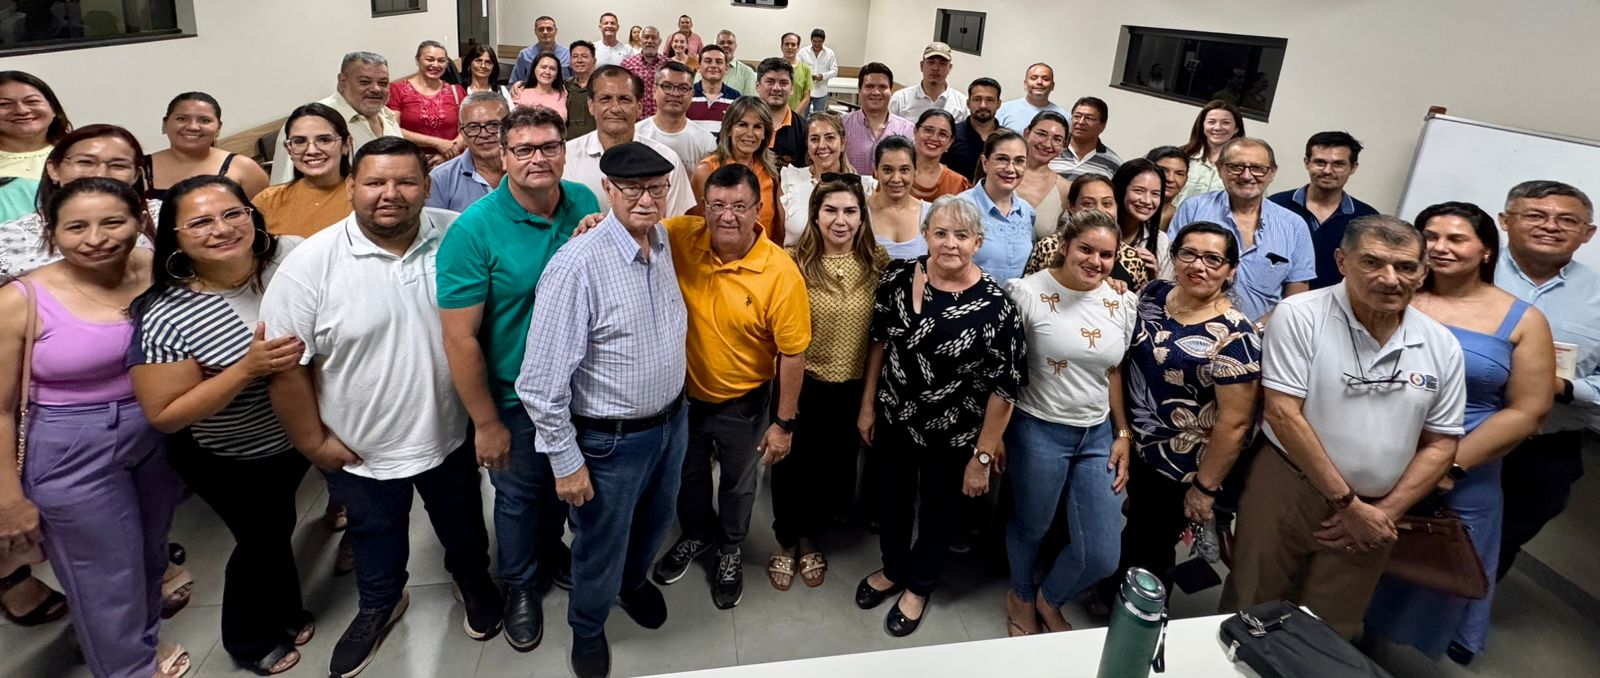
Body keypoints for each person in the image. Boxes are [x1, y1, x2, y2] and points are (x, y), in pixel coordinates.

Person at [261, 138, 502, 677]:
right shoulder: (309, 266)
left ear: (427, 186)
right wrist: (314, 444)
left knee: (463, 522)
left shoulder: (459, 234)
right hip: (360, 444)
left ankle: (472, 581)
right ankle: (380, 603)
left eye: (406, 182)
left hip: (450, 431)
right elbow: (286, 367)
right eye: (374, 182)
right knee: (374, 534)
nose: (390, 194)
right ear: (351, 187)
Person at [1220, 215, 1467, 639]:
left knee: (1333, 624)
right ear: (1341, 261)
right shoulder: (1301, 314)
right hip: (1289, 484)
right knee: (1252, 602)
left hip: (1379, 505)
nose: (1389, 278)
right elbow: (1283, 413)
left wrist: (1384, 512)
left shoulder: (1440, 344)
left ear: (1423, 273)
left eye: (1405, 267)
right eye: (1372, 262)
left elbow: (1442, 442)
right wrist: (1347, 504)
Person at [0, 177, 189, 678]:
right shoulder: (21, 300)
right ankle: (128, 670)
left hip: (155, 431)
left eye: (112, 222)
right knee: (103, 576)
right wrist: (9, 499)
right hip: (70, 447)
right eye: (76, 227)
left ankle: (137, 650)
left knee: (150, 556)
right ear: (51, 231)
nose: (96, 238)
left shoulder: (157, 269)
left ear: (139, 221)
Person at [128, 175, 313, 676]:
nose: (222, 228)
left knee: (276, 526)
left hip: (295, 438)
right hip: (229, 452)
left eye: (233, 213)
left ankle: (287, 611)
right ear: (175, 237)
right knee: (260, 538)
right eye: (201, 222)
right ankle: (248, 639)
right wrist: (246, 369)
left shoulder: (290, 258)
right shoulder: (167, 313)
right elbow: (166, 414)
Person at [517, 142, 686, 678]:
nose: (646, 199)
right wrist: (566, 462)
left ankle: (632, 584)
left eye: (656, 188)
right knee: (599, 541)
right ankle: (587, 626)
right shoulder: (576, 265)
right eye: (632, 189)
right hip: (610, 441)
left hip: (671, 423)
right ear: (608, 189)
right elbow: (539, 384)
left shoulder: (662, 240)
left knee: (655, 521)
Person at [1364, 202, 1554, 665]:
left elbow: (1528, 410)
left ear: (1486, 249)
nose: (1440, 248)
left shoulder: (1523, 319)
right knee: (1353, 563)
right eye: (1430, 237)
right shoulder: (1392, 294)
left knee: (1423, 575)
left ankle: (1375, 657)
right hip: (1372, 455)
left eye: (1456, 238)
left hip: (1463, 472)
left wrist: (1447, 468)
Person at [436, 107, 590, 652]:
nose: (537, 158)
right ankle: (521, 583)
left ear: (564, 151)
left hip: (578, 389)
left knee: (562, 485)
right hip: (514, 395)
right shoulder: (473, 231)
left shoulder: (584, 202)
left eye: (549, 146)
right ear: (502, 157)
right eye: (523, 149)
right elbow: (460, 338)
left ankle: (551, 552)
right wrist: (486, 423)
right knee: (519, 494)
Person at [855, 195, 1025, 637]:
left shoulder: (997, 307)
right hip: (895, 419)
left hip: (954, 434)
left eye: (962, 235)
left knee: (938, 513)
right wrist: (868, 405)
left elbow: (1005, 390)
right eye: (941, 233)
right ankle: (893, 568)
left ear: (978, 242)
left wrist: (982, 456)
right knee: (891, 501)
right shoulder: (897, 278)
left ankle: (919, 586)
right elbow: (878, 343)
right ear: (926, 235)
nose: (951, 243)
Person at [651, 164, 811, 611]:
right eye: (717, 205)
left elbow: (793, 353)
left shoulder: (780, 273)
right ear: (703, 207)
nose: (727, 216)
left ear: (758, 210)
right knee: (688, 475)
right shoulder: (681, 236)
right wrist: (594, 221)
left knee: (738, 484)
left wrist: (783, 423)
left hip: (745, 403)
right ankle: (697, 533)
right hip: (683, 399)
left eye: (739, 206)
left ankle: (730, 547)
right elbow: (634, 228)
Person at [1106, 221, 1262, 612]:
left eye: (1213, 259)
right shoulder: (1155, 294)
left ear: (1230, 270)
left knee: (1152, 545)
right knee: (1136, 527)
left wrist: (1205, 489)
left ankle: (1138, 618)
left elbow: (1235, 424)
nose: (1198, 266)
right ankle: (1113, 593)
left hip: (1182, 465)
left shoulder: (1236, 336)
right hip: (1136, 443)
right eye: (1188, 254)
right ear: (1174, 257)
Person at [1002, 208, 1137, 636]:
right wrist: (992, 437)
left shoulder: (1121, 301)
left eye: (1106, 254)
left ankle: (1051, 596)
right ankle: (1021, 594)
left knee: (1102, 553)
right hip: (1038, 427)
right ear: (1063, 245)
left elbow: (1113, 371)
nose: (1095, 261)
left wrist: (1122, 433)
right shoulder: (1025, 293)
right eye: (1086, 249)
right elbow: (1003, 371)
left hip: (1097, 434)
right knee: (1033, 525)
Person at [768, 178, 889, 593]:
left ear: (862, 217)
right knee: (791, 465)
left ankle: (810, 536)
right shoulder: (792, 262)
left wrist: (868, 402)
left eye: (850, 211)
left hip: (851, 385)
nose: (841, 220)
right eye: (831, 211)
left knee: (832, 468)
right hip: (800, 384)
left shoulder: (877, 263)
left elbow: (879, 337)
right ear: (815, 216)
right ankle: (786, 538)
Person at [1492, 181, 1600, 584]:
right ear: (1505, 221)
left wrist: (1565, 388)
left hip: (1544, 450)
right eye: (1536, 215)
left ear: (1588, 233)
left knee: (1497, 549)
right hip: (1452, 431)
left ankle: (1464, 617)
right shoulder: (1466, 269)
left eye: (1567, 220)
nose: (1550, 226)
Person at [1169, 137, 1313, 324]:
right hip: (1190, 326)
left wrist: (1256, 330)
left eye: (1257, 168)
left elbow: (1296, 296)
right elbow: (1172, 269)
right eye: (1236, 167)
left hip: (1263, 334)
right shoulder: (1193, 209)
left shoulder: (1294, 225)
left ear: (1272, 173)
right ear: (1220, 169)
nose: (1246, 176)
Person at [1, 124, 155, 278]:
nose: (100, 174)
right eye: (85, 162)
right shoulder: (11, 238)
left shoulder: (164, 217)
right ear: (54, 169)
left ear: (136, 175)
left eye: (118, 165)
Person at [563, 65, 695, 217]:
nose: (615, 108)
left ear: (639, 107)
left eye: (624, 99)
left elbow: (674, 225)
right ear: (591, 105)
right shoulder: (567, 157)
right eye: (605, 99)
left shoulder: (667, 160)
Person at [269, 52, 401, 185]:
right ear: (342, 82)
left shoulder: (387, 115)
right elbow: (286, 186)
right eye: (365, 82)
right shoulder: (310, 121)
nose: (376, 89)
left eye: (383, 83)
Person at [1268, 131, 1379, 290]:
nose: (1327, 170)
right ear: (1306, 163)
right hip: (1276, 300)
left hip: (1337, 303)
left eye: (1338, 164)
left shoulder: (1368, 219)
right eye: (1320, 162)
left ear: (1353, 167)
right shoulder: (1275, 205)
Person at [691, 97, 784, 243]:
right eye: (742, 125)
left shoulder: (771, 173)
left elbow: (778, 230)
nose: (750, 133)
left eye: (757, 127)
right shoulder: (706, 171)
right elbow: (695, 229)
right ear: (729, 129)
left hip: (763, 254)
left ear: (765, 133)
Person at [255, 103, 354, 238]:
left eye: (324, 140)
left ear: (346, 145)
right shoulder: (268, 201)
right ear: (289, 149)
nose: (312, 151)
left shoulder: (366, 196)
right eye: (299, 141)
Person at [144, 92, 269, 200]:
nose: (192, 127)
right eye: (181, 119)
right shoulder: (140, 168)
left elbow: (265, 216)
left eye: (205, 120)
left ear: (218, 128)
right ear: (164, 124)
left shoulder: (244, 169)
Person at [778, 111, 875, 244]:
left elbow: (867, 240)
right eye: (814, 139)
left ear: (842, 144)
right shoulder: (790, 180)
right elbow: (778, 237)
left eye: (830, 138)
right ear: (807, 145)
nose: (822, 146)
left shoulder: (864, 188)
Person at [962, 130, 1034, 283]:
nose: (1010, 169)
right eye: (1002, 159)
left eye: (1019, 161)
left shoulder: (1027, 212)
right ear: (985, 162)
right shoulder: (959, 207)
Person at [426, 92, 510, 212]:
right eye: (473, 127)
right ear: (461, 132)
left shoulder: (529, 168)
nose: (484, 134)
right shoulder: (439, 179)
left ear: (510, 126)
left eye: (493, 125)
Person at [388, 41, 468, 164]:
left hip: (451, 162)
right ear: (417, 60)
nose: (435, 65)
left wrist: (447, 154)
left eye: (441, 61)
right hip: (412, 162)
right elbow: (392, 129)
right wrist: (437, 143)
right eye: (430, 59)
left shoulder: (456, 92)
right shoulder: (397, 90)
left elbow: (467, 127)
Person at [1025, 174, 1118, 276]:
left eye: (1107, 203)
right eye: (1088, 204)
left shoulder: (1129, 256)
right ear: (1071, 206)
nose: (1099, 210)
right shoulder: (1047, 247)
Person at [636, 62, 716, 169]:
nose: (675, 93)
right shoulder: (636, 134)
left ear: (692, 94)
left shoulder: (706, 141)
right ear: (654, 90)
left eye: (683, 88)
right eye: (667, 86)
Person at [1109, 158, 1174, 288]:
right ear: (1121, 189)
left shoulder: (1161, 242)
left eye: (1155, 194)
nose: (1147, 201)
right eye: (1139, 191)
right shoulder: (1095, 231)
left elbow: (1163, 296)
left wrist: (1153, 279)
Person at [842, 63, 914, 175]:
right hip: (850, 186)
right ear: (860, 90)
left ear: (891, 91)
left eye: (882, 87)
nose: (876, 92)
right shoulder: (842, 126)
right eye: (869, 86)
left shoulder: (908, 130)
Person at [1171, 100, 1244, 207]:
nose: (1217, 127)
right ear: (1202, 126)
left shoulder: (1246, 165)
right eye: (1211, 122)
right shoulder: (1182, 156)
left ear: (1236, 128)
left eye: (1225, 123)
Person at [0, 71, 69, 180]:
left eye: (32, 101)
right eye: (4, 104)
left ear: (53, 108)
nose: (21, 111)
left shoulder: (79, 152)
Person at [867, 136, 928, 260]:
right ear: (876, 171)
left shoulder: (931, 214)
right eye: (887, 170)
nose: (896, 179)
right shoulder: (859, 212)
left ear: (915, 171)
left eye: (904, 170)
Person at [1015, 111, 1072, 240]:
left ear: (1063, 146)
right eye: (1041, 134)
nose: (1047, 144)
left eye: (1057, 139)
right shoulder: (1003, 172)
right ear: (1026, 133)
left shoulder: (1064, 189)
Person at [889, 42, 968, 122]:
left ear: (949, 68)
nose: (935, 68)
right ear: (921, 65)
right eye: (931, 62)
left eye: (942, 63)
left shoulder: (962, 104)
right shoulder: (901, 99)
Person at [755, 58, 809, 170]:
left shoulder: (805, 130)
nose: (776, 88)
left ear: (792, 89)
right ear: (757, 86)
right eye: (770, 81)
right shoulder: (741, 123)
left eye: (783, 83)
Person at [1050, 97, 1121, 181]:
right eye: (1077, 116)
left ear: (1103, 126)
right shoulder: (1050, 151)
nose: (1081, 122)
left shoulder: (1113, 163)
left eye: (1089, 118)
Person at [944, 77, 1002, 181]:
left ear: (998, 104)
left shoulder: (1007, 138)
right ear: (968, 103)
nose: (983, 105)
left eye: (990, 100)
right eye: (977, 99)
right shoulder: (951, 134)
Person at [909, 109, 970, 202]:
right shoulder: (894, 172)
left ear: (950, 142)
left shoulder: (958, 184)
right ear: (915, 131)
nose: (934, 138)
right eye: (928, 130)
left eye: (942, 134)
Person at [996, 63, 1067, 132]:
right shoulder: (1003, 110)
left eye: (1045, 79)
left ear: (1052, 86)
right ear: (1025, 84)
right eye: (1033, 78)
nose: (1039, 82)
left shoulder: (1064, 116)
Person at [686, 46, 739, 135]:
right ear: (698, 67)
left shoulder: (736, 98)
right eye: (708, 61)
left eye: (719, 62)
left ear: (726, 68)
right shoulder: (686, 95)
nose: (713, 65)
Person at [620, 27, 667, 119]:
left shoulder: (668, 65)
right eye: (646, 37)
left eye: (654, 38)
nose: (650, 41)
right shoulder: (627, 64)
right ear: (640, 40)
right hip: (635, 120)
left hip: (662, 120)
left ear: (660, 42)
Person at [511, 15, 572, 83]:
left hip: (562, 89)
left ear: (556, 31)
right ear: (535, 32)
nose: (545, 32)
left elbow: (576, 81)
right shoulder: (525, 55)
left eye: (549, 29)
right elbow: (514, 83)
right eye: (541, 29)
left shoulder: (568, 54)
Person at [1146, 146, 1190, 233]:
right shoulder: (1127, 209)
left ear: (1186, 179)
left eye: (1179, 174)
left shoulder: (1183, 218)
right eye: (1163, 170)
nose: (1170, 179)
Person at [513, 52, 569, 119]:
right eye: (543, 67)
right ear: (535, 70)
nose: (547, 72)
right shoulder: (520, 92)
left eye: (552, 69)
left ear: (557, 74)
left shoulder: (563, 92)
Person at [797, 28, 838, 115]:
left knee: (819, 117)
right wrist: (806, 76)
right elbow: (798, 68)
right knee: (802, 117)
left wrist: (823, 76)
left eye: (820, 42)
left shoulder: (830, 53)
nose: (817, 44)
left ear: (823, 41)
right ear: (811, 40)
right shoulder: (803, 52)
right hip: (804, 90)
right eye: (814, 41)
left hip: (821, 91)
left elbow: (834, 71)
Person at [565, 41, 599, 139]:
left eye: (584, 56)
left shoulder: (603, 84)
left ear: (594, 61)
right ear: (570, 62)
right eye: (575, 56)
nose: (579, 60)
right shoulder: (564, 86)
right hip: (569, 144)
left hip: (597, 142)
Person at [709, 31, 757, 97]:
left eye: (730, 43)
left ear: (735, 46)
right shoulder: (704, 70)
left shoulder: (747, 72)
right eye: (722, 43)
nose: (726, 45)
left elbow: (749, 101)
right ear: (716, 46)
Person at [779, 33, 813, 111]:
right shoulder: (774, 67)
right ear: (781, 47)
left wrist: (794, 115)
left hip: (796, 114)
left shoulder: (805, 69)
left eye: (793, 44)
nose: (790, 47)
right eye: (787, 44)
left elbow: (806, 97)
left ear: (798, 48)